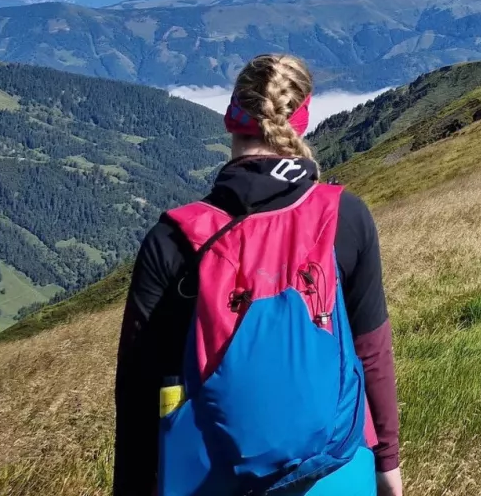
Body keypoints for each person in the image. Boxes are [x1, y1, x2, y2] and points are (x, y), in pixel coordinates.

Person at [113, 54, 402, 496]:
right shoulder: (345, 216)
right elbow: (372, 353)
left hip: (204, 476)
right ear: (301, 121)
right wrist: (387, 467)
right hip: (338, 470)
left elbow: (135, 394)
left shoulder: (171, 240)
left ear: (232, 119)